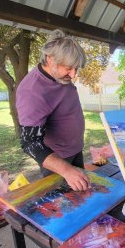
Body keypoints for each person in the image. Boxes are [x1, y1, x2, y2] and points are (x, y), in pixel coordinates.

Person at [16, 29, 91, 191]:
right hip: (58, 160)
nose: (73, 75)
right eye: (69, 68)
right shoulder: (32, 91)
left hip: (75, 150)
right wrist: (66, 170)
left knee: (83, 196)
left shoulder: (60, 76)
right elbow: (30, 143)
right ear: (50, 59)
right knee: (65, 206)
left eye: (76, 69)